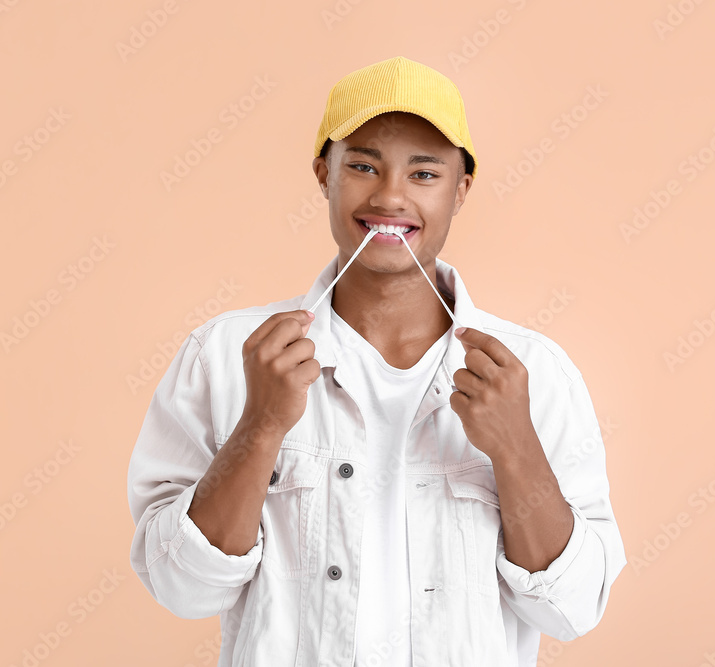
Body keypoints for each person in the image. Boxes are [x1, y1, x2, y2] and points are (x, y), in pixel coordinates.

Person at [127, 55, 626, 666]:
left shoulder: (535, 373)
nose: (389, 197)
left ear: (460, 190)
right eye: (362, 166)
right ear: (323, 175)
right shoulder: (227, 356)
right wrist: (260, 426)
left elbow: (571, 609)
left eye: (424, 174)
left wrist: (516, 447)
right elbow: (183, 589)